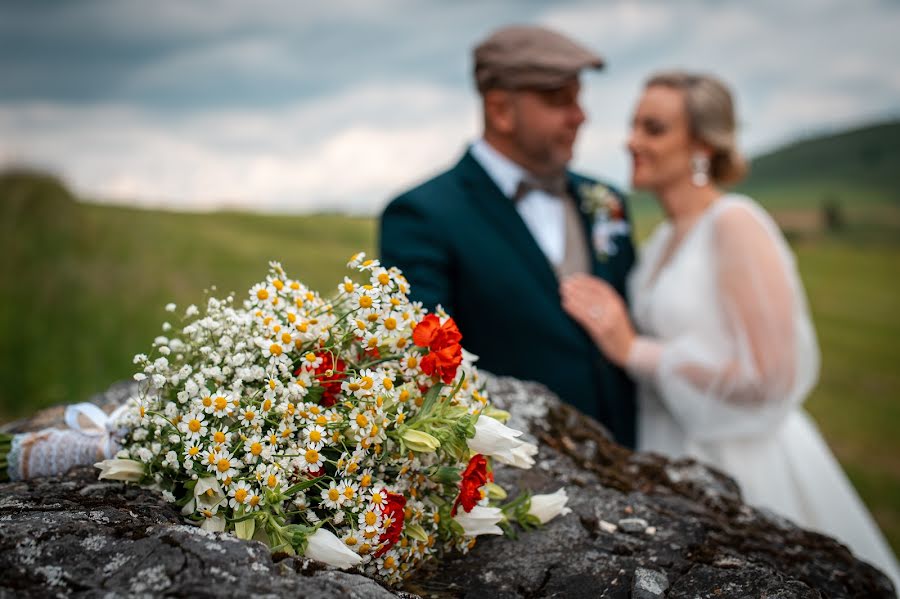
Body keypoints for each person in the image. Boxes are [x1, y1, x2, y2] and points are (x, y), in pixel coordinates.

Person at [560, 71, 900, 587]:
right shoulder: (663, 240)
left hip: (743, 454)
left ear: (702, 145)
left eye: (653, 129)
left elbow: (771, 374)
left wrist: (635, 351)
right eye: (634, 125)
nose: (631, 141)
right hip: (669, 450)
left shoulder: (735, 223)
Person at [379, 25, 638, 447]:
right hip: (518, 470)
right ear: (500, 110)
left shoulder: (605, 200)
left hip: (632, 457)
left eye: (579, 98)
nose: (580, 115)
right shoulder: (423, 215)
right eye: (560, 101)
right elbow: (423, 360)